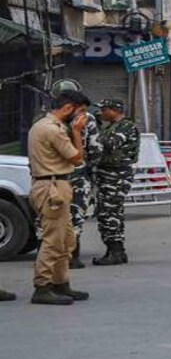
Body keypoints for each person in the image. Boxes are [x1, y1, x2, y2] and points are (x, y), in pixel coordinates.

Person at [27, 89, 91, 305]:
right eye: (80, 112)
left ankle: (60, 282)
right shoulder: (52, 130)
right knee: (54, 240)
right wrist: (77, 132)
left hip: (55, 183)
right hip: (51, 186)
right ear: (67, 108)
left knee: (66, 239)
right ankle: (42, 286)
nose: (82, 117)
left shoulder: (46, 126)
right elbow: (76, 158)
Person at [92, 99, 140, 266]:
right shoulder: (111, 127)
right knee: (110, 213)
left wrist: (93, 132)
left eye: (104, 109)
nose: (101, 113)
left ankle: (115, 252)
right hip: (108, 175)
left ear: (114, 110)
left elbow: (111, 144)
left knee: (109, 213)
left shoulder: (126, 126)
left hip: (117, 176)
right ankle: (116, 251)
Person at [68, 102, 102, 270]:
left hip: (51, 176)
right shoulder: (87, 119)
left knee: (48, 218)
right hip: (78, 174)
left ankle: (45, 255)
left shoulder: (45, 120)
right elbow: (96, 149)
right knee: (75, 216)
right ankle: (72, 257)